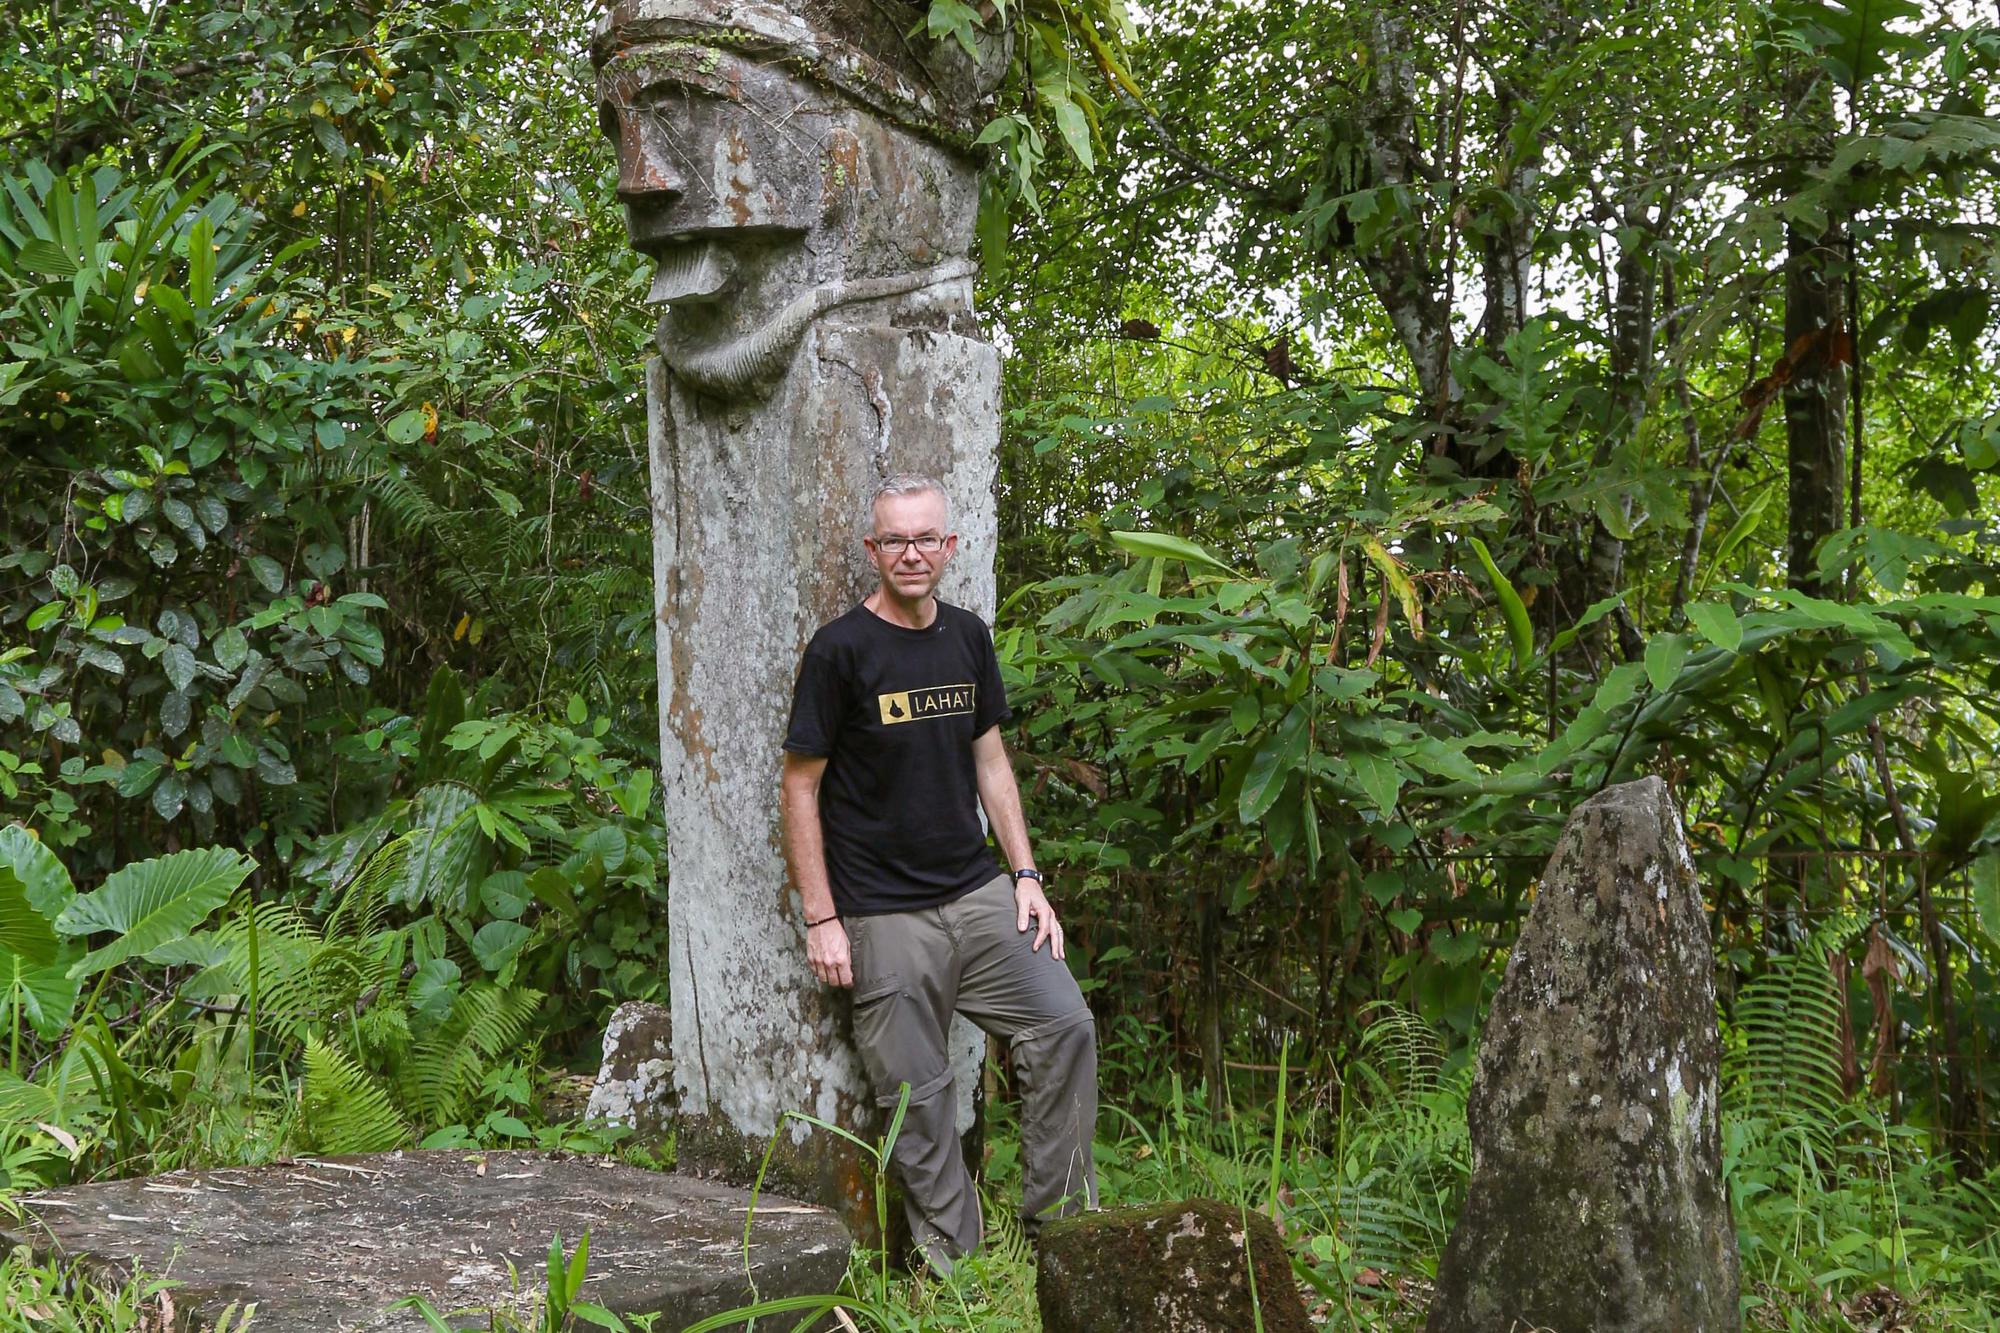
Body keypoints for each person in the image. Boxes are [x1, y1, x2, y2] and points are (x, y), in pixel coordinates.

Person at [780, 474, 1098, 1270]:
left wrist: (1025, 874)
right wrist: (822, 917)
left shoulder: (966, 637)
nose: (912, 553)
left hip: (978, 889)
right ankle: (958, 1264)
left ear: (950, 546)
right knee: (919, 1097)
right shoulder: (840, 650)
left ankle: (1062, 1234)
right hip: (884, 913)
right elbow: (800, 784)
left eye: (927, 538)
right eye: (896, 539)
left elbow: (992, 763)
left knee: (1065, 1023)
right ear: (873, 550)